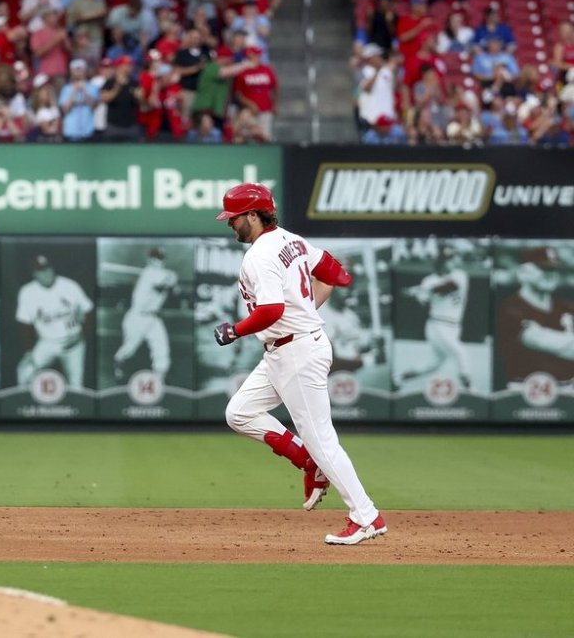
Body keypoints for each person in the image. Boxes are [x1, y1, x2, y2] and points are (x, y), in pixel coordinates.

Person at [212, 183, 386, 545]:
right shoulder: (292, 240)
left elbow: (272, 309)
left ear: (254, 215)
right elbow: (337, 273)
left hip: (297, 352)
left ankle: (366, 516)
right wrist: (306, 308)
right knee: (240, 412)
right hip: (287, 349)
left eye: (234, 218)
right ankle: (308, 462)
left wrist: (235, 331)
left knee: (322, 439)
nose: (230, 225)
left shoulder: (259, 256)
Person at [395, 245, 473, 390]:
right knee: (461, 352)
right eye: (447, 259)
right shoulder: (429, 280)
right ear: (440, 262)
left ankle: (400, 378)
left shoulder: (460, 275)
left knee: (434, 364)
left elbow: (448, 287)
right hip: (438, 325)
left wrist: (419, 289)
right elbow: (424, 304)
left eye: (452, 258)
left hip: (454, 326)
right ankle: (469, 388)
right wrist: (419, 296)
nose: (452, 262)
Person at [496, 247, 574, 386]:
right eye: (543, 268)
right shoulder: (511, 309)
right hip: (526, 391)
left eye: (553, 269)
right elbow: (550, 343)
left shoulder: (566, 307)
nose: (550, 274)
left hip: (568, 389)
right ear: (522, 273)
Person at [15, 254, 94, 389]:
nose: (46, 274)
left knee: (76, 386)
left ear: (53, 269)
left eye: (48, 269)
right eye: (40, 271)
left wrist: (81, 333)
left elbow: (89, 311)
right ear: (34, 274)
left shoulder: (70, 286)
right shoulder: (27, 292)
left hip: (73, 343)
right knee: (24, 373)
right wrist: (28, 351)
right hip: (47, 342)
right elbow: (25, 324)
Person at [113, 247, 178, 382]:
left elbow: (172, 286)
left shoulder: (158, 273)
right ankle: (118, 363)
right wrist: (172, 276)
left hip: (153, 318)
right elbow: (169, 282)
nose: (157, 261)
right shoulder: (150, 274)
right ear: (149, 260)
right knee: (129, 349)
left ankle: (159, 381)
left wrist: (171, 278)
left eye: (160, 258)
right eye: (155, 258)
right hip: (138, 317)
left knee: (162, 349)